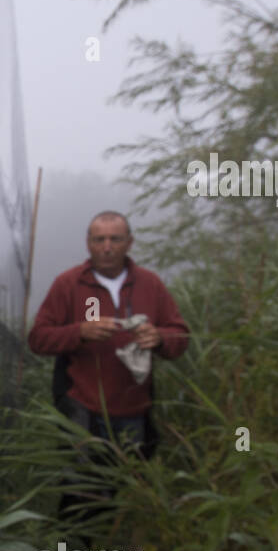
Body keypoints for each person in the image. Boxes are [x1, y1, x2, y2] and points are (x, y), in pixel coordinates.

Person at [27, 211, 190, 532]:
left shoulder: (149, 284)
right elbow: (38, 339)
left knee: (125, 490)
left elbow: (180, 336)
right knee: (81, 493)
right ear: (88, 243)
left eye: (115, 239)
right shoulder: (69, 284)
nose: (107, 247)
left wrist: (159, 338)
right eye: (98, 239)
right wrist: (79, 332)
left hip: (133, 409)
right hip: (82, 407)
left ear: (129, 242)